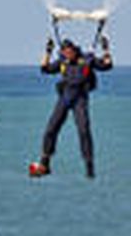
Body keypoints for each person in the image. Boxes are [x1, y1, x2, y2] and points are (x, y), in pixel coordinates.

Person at [28, 33, 114, 179]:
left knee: (84, 130)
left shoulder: (87, 59)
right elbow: (45, 69)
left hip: (80, 98)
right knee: (51, 129)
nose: (67, 54)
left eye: (69, 51)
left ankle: (89, 165)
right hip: (65, 97)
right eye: (64, 52)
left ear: (74, 50)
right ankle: (45, 163)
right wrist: (48, 51)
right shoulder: (62, 62)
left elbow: (107, 66)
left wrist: (106, 49)